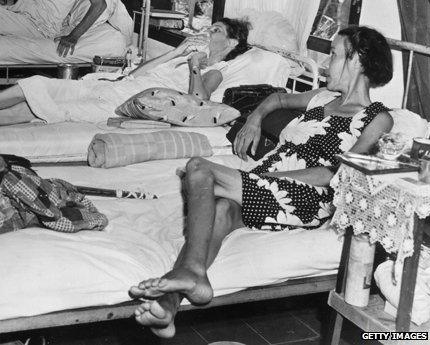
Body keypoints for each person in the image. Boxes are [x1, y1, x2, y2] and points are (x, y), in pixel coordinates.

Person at [128, 25, 394, 338]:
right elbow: (277, 100)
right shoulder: (323, 97)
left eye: (333, 54)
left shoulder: (376, 117)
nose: (324, 64)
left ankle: (191, 274)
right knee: (221, 209)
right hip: (267, 184)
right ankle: (171, 304)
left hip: (307, 197)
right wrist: (254, 121)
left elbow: (338, 174)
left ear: (357, 61)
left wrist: (261, 177)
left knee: (199, 168)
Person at [0, 18, 253, 132]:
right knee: (25, 109)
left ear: (231, 42)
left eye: (217, 30)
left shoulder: (216, 71)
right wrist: (175, 52)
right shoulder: (181, 55)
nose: (208, 32)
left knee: (32, 91)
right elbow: (139, 73)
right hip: (114, 88)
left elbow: (199, 101)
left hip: (123, 106)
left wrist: (194, 63)